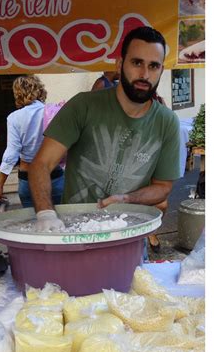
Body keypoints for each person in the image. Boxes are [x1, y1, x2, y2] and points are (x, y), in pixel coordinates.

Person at [29, 26, 181, 234]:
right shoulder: (83, 106)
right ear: (120, 64)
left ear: (161, 70)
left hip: (130, 234)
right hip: (74, 232)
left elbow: (163, 186)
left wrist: (127, 199)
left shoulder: (167, 122)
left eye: (153, 66)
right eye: (137, 63)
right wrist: (45, 213)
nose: (145, 74)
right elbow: (41, 164)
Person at [0, 75, 64, 208]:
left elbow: (11, 153)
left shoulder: (14, 118)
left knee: (31, 224)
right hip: (54, 175)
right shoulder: (54, 112)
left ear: (17, 94)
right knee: (60, 223)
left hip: (28, 178)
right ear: (40, 90)